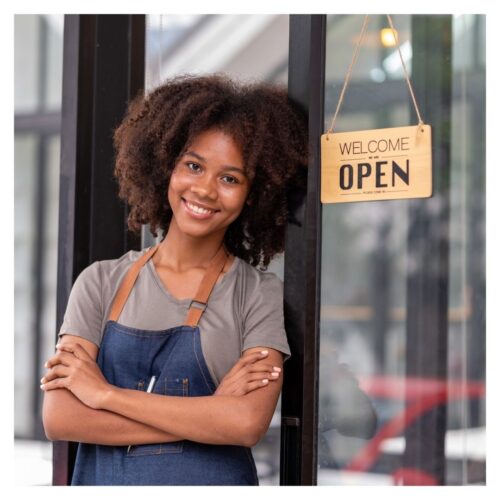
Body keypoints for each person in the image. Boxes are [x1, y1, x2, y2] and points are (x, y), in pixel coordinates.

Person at [41, 74, 308, 486]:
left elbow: (245, 424)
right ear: (166, 166)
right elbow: (62, 417)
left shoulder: (256, 293)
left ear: (252, 196)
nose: (204, 190)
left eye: (230, 178)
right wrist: (209, 414)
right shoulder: (99, 282)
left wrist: (105, 396)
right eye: (194, 166)